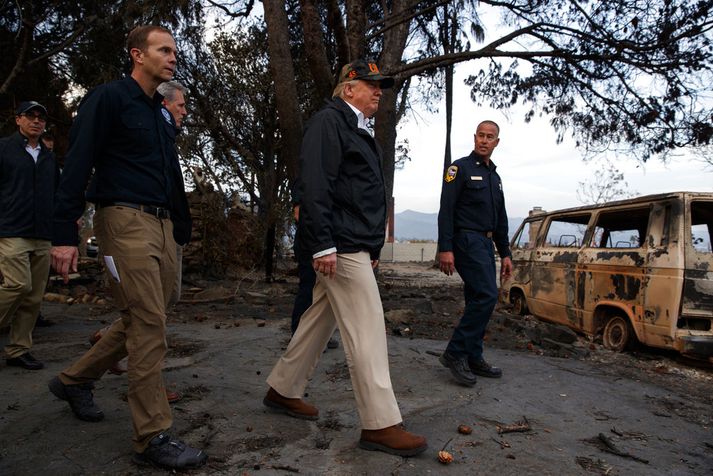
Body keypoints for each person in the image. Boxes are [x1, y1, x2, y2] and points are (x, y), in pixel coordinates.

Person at [47, 25, 206, 470]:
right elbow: (78, 160)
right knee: (149, 322)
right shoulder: (108, 99)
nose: (174, 57)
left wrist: (182, 224)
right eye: (164, 50)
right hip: (123, 219)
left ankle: (75, 379)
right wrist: (64, 232)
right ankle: (152, 436)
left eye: (175, 51)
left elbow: (169, 173)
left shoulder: (159, 112)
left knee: (155, 306)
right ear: (138, 54)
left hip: (161, 223)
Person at [263, 59, 427, 457]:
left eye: (381, 86)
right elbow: (316, 185)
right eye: (371, 85)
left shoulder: (356, 128)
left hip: (351, 243)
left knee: (318, 319)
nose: (378, 92)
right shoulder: (329, 122)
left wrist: (370, 247)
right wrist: (323, 245)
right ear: (348, 88)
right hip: (339, 243)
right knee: (368, 327)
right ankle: (380, 424)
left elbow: (359, 194)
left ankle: (283, 389)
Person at [436, 120, 513, 386]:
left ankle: (473, 355)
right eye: (480, 135)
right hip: (466, 239)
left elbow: (500, 217)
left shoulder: (495, 177)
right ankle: (456, 352)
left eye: (489, 137)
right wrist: (445, 248)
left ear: (496, 142)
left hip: (486, 243)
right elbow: (446, 209)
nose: (484, 140)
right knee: (486, 295)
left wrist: (506, 253)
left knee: (476, 298)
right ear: (474, 137)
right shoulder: (459, 169)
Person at [0, 101, 59, 370]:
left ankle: (18, 349)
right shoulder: (4, 149)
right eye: (31, 116)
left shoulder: (48, 157)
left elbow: (55, 193)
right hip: (11, 229)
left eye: (41, 117)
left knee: (34, 296)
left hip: (42, 233)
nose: (36, 121)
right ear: (18, 120)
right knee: (18, 286)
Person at [290, 195, 338, 350]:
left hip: (322, 245)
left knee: (322, 293)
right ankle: (299, 336)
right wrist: (319, 245)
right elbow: (300, 215)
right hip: (312, 246)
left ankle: (318, 336)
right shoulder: (306, 186)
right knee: (308, 289)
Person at [156, 80, 187, 307]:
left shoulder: (169, 141)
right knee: (154, 302)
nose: (184, 112)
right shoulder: (155, 139)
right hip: (158, 230)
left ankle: (109, 337)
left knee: (169, 296)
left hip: (173, 230)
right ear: (164, 104)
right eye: (181, 106)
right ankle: (110, 340)